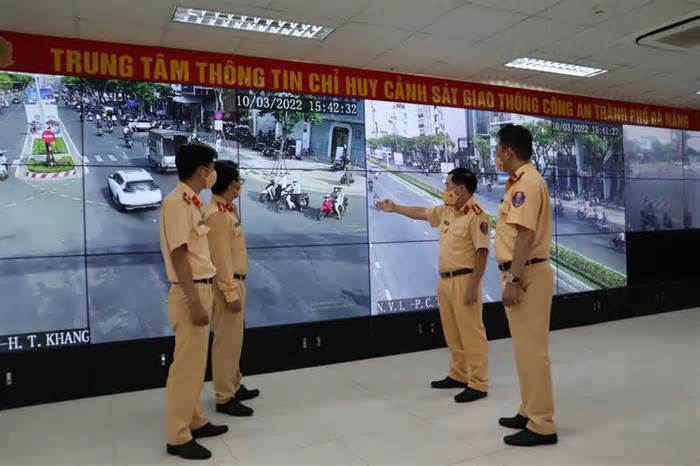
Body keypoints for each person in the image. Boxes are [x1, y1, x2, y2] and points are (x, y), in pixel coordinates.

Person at [375, 168, 491, 403]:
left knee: (471, 334)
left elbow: (481, 254)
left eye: (448, 185)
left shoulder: (477, 215)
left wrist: (473, 286)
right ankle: (458, 374)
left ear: (459, 189)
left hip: (465, 281)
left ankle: (478, 383)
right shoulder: (448, 210)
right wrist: (395, 207)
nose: (445, 190)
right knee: (452, 332)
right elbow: (423, 212)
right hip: (445, 281)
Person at [159, 143, 227, 460]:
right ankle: (178, 436)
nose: (214, 171)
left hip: (201, 287)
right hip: (190, 292)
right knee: (186, 369)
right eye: (212, 166)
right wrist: (195, 302)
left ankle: (195, 419)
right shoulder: (177, 203)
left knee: (196, 366)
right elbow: (179, 254)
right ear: (202, 170)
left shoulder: (192, 201)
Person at [493, 124, 557, 447]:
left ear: (508, 152)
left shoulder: (527, 184)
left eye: (497, 150)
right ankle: (528, 410)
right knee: (524, 351)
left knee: (533, 352)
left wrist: (514, 279)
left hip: (527, 275)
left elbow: (525, 236)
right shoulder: (520, 182)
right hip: (524, 273)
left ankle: (542, 424)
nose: (495, 156)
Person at [205, 160, 260, 418]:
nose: (241, 185)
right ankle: (224, 397)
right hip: (229, 285)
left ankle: (234, 386)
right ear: (230, 184)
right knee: (226, 344)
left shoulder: (227, 210)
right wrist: (229, 292)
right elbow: (220, 259)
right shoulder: (216, 216)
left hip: (237, 283)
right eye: (238, 180)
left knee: (234, 341)